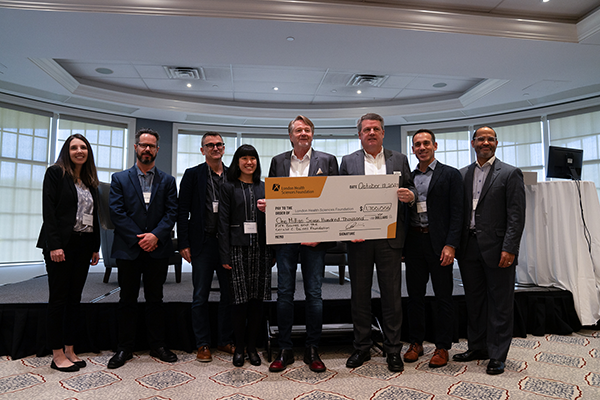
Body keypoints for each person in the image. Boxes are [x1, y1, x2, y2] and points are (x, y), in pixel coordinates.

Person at [340, 113, 416, 372]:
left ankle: (393, 350)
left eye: (376, 129)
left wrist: (411, 195)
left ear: (383, 133)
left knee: (392, 297)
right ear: (359, 135)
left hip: (389, 237)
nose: (371, 133)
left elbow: (411, 189)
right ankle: (361, 347)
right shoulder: (348, 162)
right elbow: (341, 199)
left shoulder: (400, 159)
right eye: (366, 130)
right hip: (359, 238)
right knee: (359, 295)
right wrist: (346, 229)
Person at [266, 116, 339, 373]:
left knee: (314, 294)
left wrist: (324, 235)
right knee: (285, 292)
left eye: (307, 129)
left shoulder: (328, 161)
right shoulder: (278, 161)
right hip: (286, 238)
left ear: (312, 134)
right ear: (290, 135)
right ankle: (285, 349)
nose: (303, 133)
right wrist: (267, 204)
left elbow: (335, 199)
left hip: (315, 239)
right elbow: (273, 197)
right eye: (298, 130)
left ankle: (312, 349)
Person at [453, 126, 525, 375]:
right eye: (480, 139)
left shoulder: (510, 173)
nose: (485, 142)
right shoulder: (462, 174)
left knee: (500, 303)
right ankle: (478, 347)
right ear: (472, 144)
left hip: (498, 249)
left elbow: (516, 216)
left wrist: (510, 248)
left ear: (496, 143)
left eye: (490, 139)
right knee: (475, 301)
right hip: (468, 248)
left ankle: (497, 354)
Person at [107, 128, 178, 369]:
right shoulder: (119, 179)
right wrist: (140, 238)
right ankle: (124, 347)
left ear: (157, 149)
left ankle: (157, 345)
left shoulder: (168, 181)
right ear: (135, 147)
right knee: (127, 299)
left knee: (155, 299)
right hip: (129, 249)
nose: (147, 149)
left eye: (152, 146)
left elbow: (172, 212)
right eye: (143, 145)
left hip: (157, 249)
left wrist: (155, 235)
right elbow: (116, 213)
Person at [37, 134, 100, 372]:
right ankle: (56, 353)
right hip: (60, 245)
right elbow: (49, 211)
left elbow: (95, 216)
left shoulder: (89, 180)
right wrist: (54, 245)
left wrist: (96, 246)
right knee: (59, 299)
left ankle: (70, 348)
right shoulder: (55, 173)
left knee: (75, 299)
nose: (79, 151)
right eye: (74, 147)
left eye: (83, 147)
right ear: (67, 150)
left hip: (83, 245)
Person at [403, 129, 463, 368]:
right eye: (417, 144)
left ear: (435, 146)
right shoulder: (407, 177)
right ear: (413, 149)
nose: (422, 148)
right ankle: (416, 343)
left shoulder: (451, 175)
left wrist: (451, 244)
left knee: (443, 296)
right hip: (414, 242)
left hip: (439, 244)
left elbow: (458, 213)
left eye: (426, 143)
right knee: (414, 296)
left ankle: (442, 347)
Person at [177, 132, 235, 362]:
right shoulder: (192, 175)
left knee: (228, 296)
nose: (215, 148)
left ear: (223, 148)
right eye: (210, 145)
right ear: (202, 150)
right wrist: (183, 243)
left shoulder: (234, 175)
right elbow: (182, 212)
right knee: (200, 295)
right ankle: (202, 344)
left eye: (219, 144)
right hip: (202, 243)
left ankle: (224, 339)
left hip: (227, 245)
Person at [219, 144, 272, 367]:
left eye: (253, 158)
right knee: (239, 301)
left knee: (257, 301)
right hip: (237, 250)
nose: (249, 162)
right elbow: (221, 222)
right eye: (244, 158)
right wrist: (224, 255)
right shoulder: (228, 186)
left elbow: (276, 219)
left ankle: (252, 348)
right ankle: (239, 348)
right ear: (237, 161)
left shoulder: (265, 187)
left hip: (262, 250)